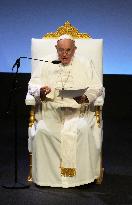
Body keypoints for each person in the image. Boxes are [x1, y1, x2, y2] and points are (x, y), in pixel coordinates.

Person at [27, 34, 103, 188]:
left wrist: (86, 97)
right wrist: (40, 92)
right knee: (42, 131)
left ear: (74, 50)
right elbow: (31, 86)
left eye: (68, 50)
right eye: (61, 50)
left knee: (81, 129)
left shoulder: (85, 63)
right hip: (51, 113)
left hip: (78, 113)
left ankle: (79, 178)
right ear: (56, 49)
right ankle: (47, 178)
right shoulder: (46, 62)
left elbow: (97, 87)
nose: (64, 54)